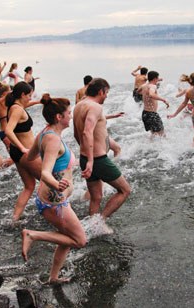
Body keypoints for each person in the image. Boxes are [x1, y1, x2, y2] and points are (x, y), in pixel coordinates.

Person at [21, 94, 87, 284]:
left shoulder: (45, 133)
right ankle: (32, 234)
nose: (71, 116)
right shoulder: (53, 140)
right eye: (68, 113)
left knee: (66, 238)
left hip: (51, 199)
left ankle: (53, 277)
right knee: (79, 241)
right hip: (54, 202)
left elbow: (30, 156)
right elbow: (45, 173)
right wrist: (57, 183)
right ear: (59, 117)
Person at [73, 78, 131, 219]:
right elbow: (87, 132)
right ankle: (100, 221)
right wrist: (92, 161)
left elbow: (77, 134)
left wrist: (87, 157)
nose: (106, 96)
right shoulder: (95, 107)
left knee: (96, 197)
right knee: (125, 190)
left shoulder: (79, 106)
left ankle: (92, 225)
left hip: (85, 158)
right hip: (98, 160)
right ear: (101, 91)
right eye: (106, 93)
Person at [4, 82, 42, 221]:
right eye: (29, 96)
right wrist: (22, 147)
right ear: (22, 95)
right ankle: (53, 214)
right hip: (26, 154)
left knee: (29, 186)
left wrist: (40, 101)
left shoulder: (15, 106)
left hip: (17, 153)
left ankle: (14, 219)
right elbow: (8, 130)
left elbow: (26, 106)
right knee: (50, 183)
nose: (30, 98)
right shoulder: (17, 110)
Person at [140, 71, 169, 137]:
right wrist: (164, 100)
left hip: (145, 114)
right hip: (152, 114)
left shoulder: (144, 86)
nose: (158, 80)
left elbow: (138, 91)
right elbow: (151, 94)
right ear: (155, 78)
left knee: (153, 134)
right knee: (162, 135)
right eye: (157, 78)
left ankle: (148, 146)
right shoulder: (153, 86)